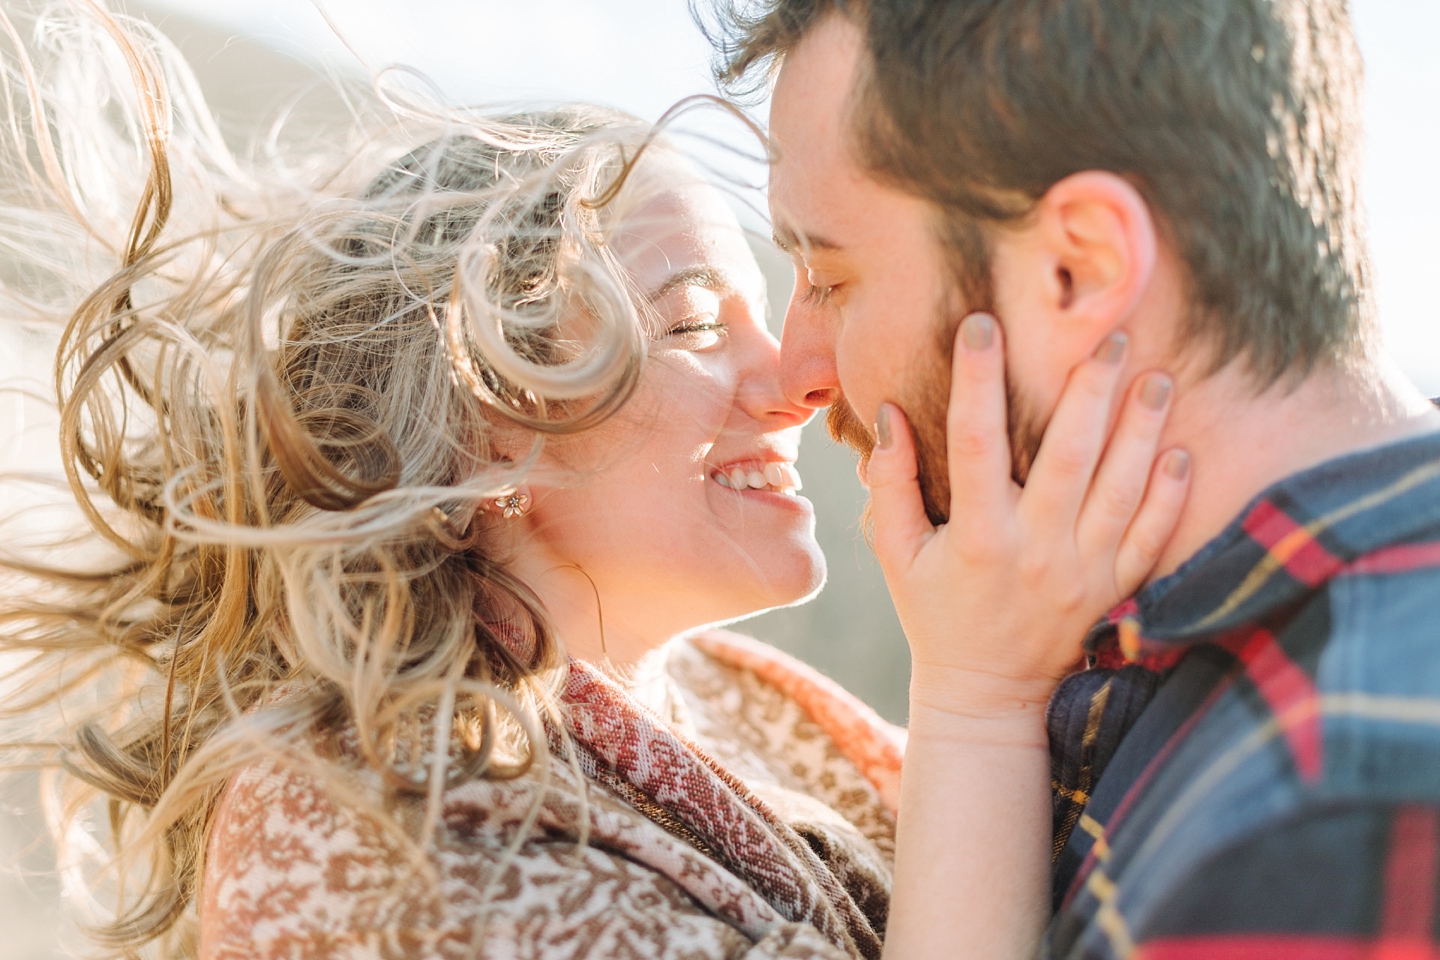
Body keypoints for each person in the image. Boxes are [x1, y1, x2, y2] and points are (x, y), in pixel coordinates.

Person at [0, 5, 1185, 959]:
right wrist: (978, 695)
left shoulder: (737, 698)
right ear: (480, 442)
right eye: (686, 325)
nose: (794, 379)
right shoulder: (369, 848)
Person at [708, 0, 1440, 957]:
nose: (801, 371)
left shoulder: (1326, 820)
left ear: (1078, 270)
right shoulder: (1204, 666)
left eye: (833, 281)